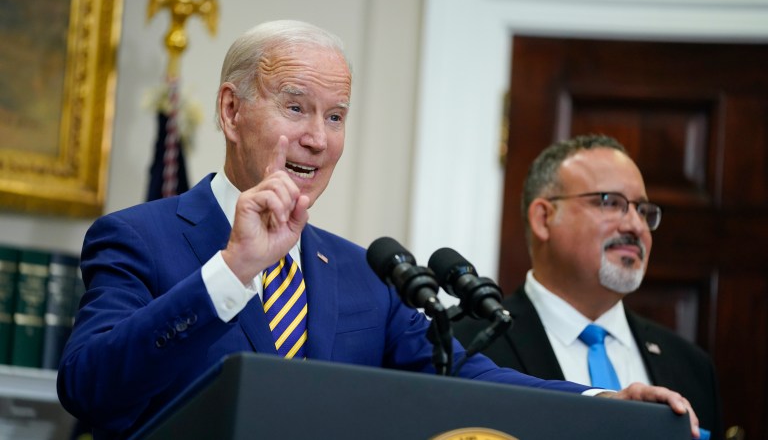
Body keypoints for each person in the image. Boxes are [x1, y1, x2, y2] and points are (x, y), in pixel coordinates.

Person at [57, 22, 703, 439]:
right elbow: (89, 385)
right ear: (231, 110)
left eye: (335, 115)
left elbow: (466, 375)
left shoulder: (367, 270)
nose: (318, 136)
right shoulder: (136, 238)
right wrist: (230, 272)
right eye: (296, 106)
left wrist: (607, 399)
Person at [454, 134, 722, 439]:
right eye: (611, 203)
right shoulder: (466, 343)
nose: (636, 225)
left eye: (642, 210)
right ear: (544, 218)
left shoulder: (691, 367)